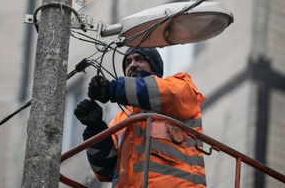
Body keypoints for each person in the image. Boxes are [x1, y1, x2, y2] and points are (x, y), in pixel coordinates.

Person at [74, 47, 207, 188]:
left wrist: (113, 89)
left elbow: (163, 92)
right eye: (127, 62)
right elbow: (105, 170)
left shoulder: (181, 87)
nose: (132, 65)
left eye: (140, 59)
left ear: (154, 65)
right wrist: (95, 127)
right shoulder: (121, 120)